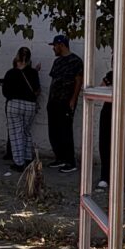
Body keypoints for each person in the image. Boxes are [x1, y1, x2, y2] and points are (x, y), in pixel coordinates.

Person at [96, 69, 125, 195]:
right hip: (108, 113)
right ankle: (106, 177)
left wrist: (121, 90)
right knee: (105, 145)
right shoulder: (109, 75)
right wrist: (108, 87)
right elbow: (101, 90)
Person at [0, 46, 41, 170]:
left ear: (17, 57)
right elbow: (37, 90)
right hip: (30, 105)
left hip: (14, 104)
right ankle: (27, 158)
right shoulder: (33, 73)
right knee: (26, 132)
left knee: (16, 133)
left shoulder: (11, 73)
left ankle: (19, 162)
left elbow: (6, 92)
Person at [45, 33, 82, 172]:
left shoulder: (75, 61)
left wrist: (73, 99)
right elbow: (53, 81)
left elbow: (78, 81)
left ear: (61, 45)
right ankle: (59, 158)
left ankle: (70, 161)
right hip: (54, 101)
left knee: (65, 131)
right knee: (54, 131)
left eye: (55, 46)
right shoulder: (57, 62)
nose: (53, 48)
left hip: (66, 101)